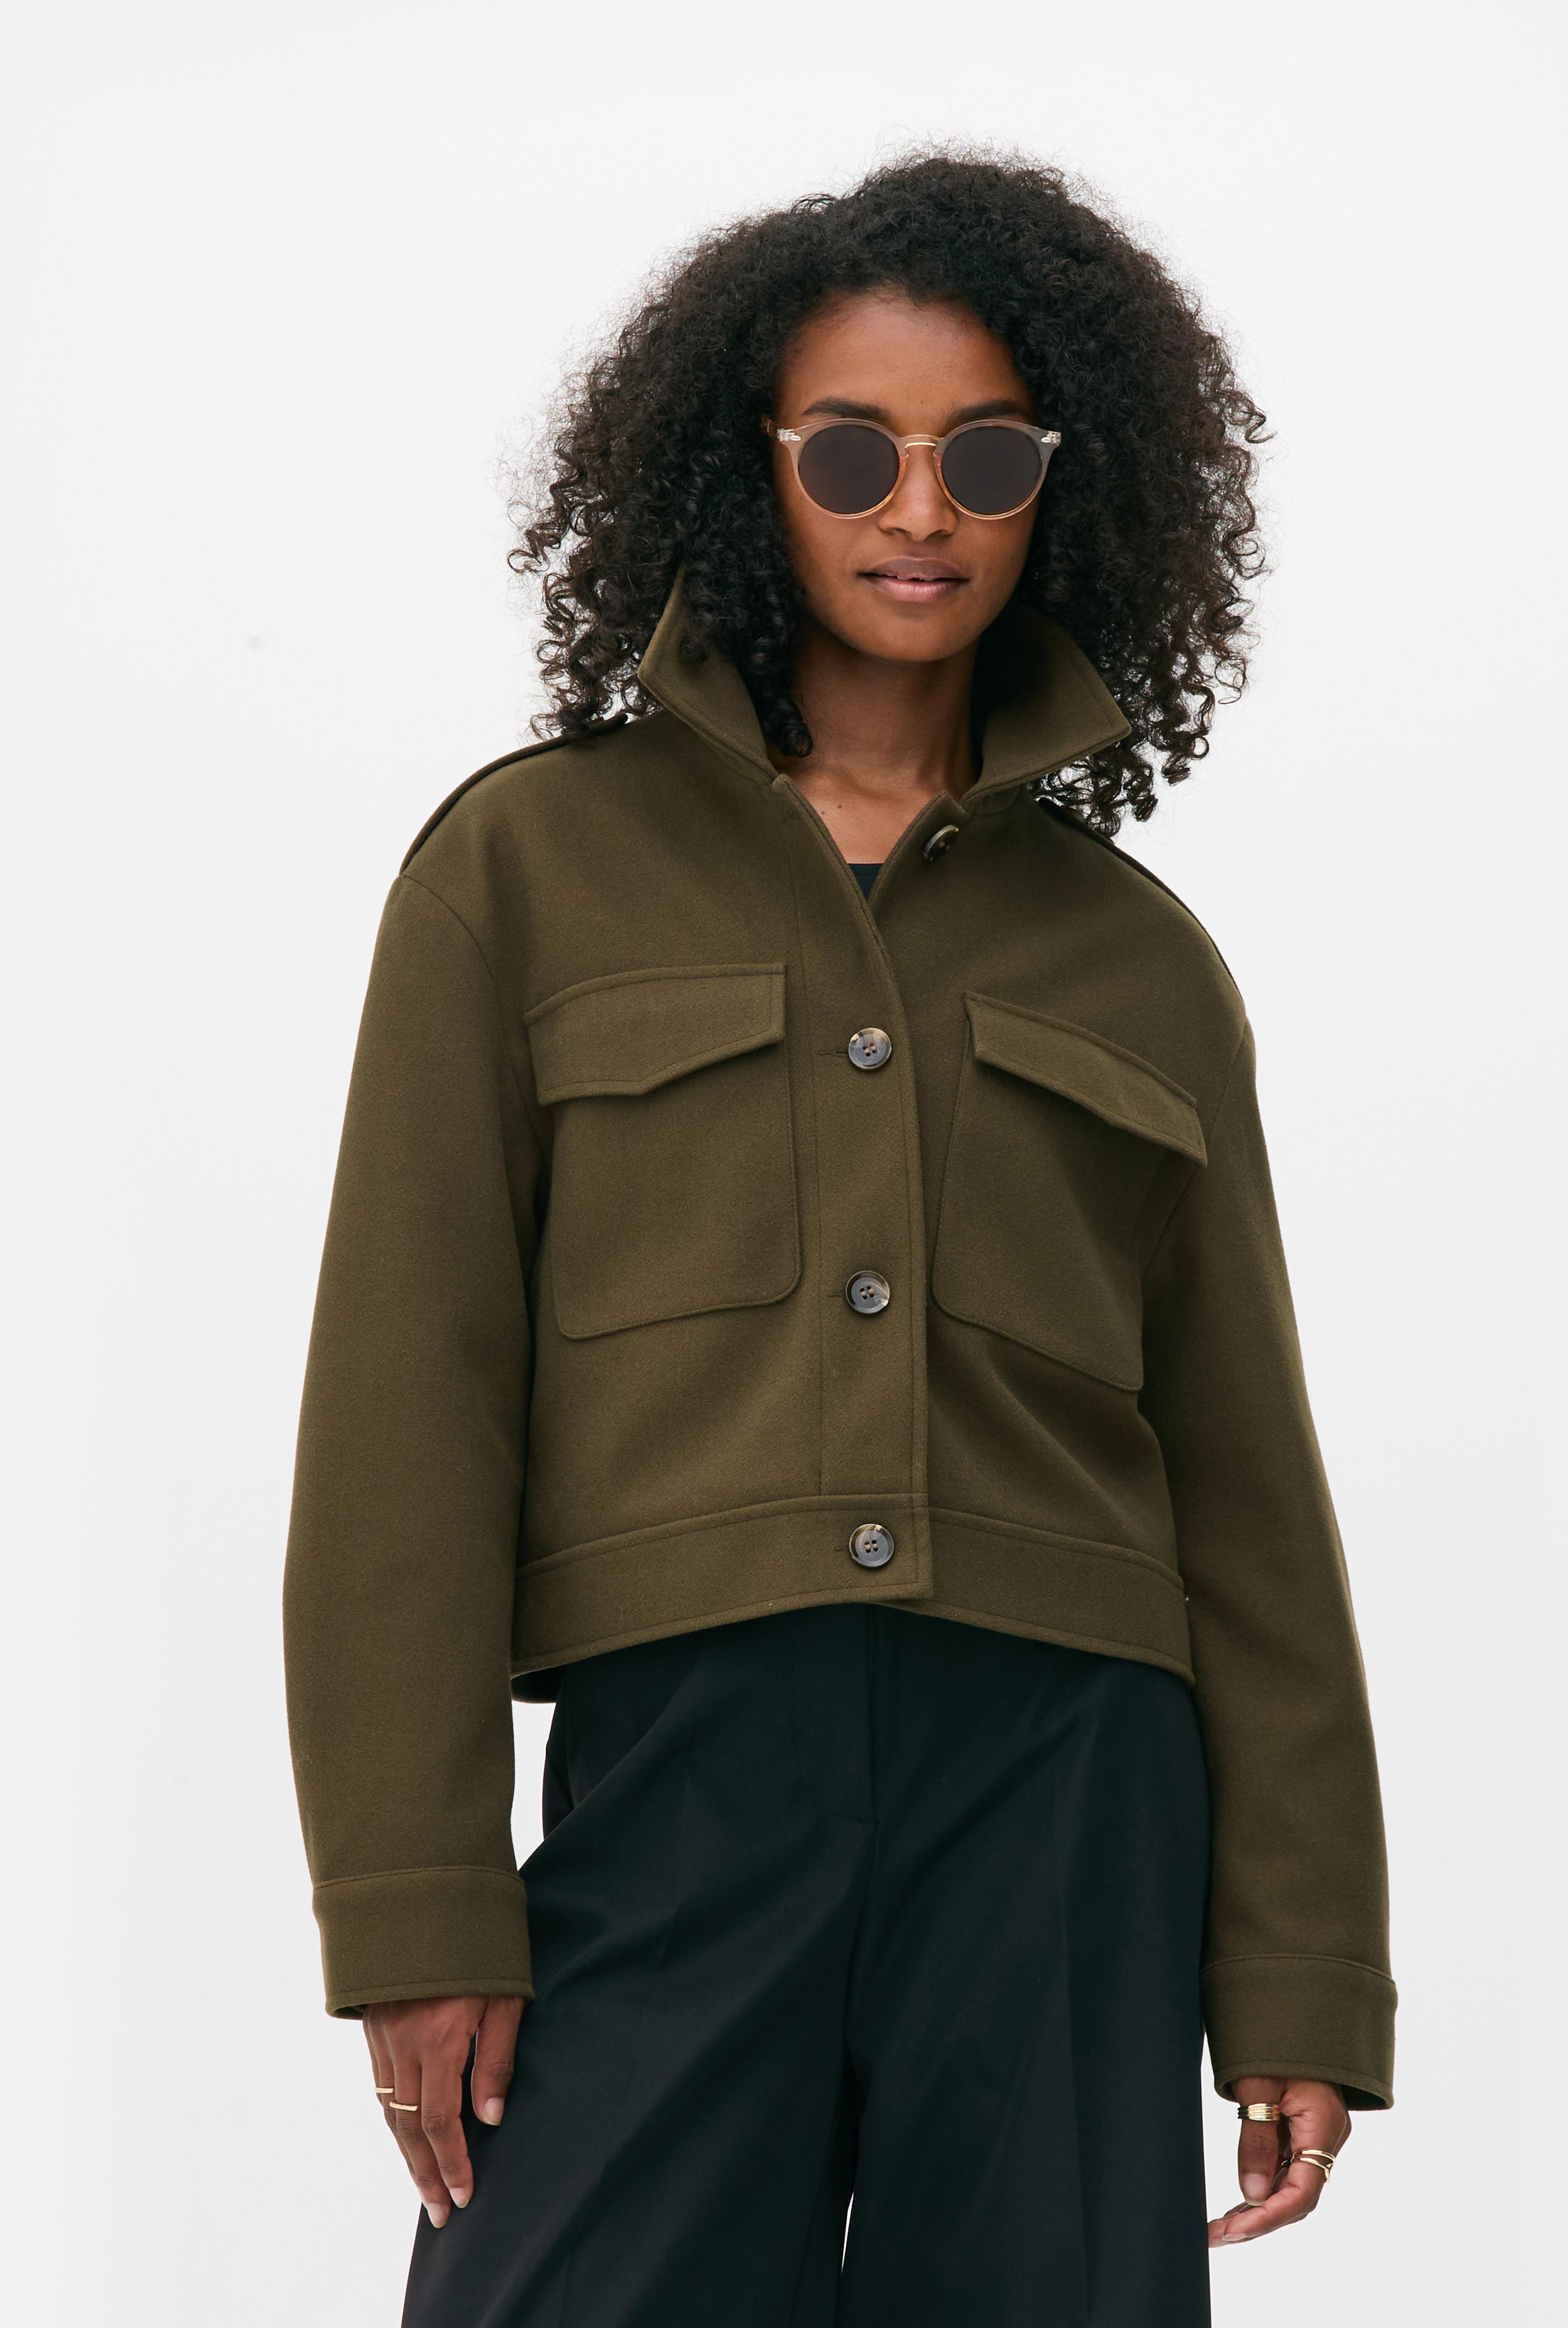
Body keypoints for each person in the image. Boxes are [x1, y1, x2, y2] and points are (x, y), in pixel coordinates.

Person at [283, 151, 1394, 2327]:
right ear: (750, 468)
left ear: (1061, 484)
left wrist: (1299, 1963)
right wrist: (414, 1899)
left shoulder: (1141, 962)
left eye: (985, 455)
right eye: (854, 452)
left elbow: (1250, 1494)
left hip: (1066, 1786)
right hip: (685, 1772)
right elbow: (409, 1406)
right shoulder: (524, 871)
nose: (921, 509)